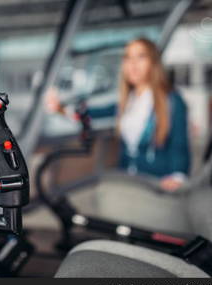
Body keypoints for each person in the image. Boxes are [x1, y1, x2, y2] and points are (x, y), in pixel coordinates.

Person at [47, 38, 190, 192]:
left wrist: (177, 176)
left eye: (141, 57)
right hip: (129, 181)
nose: (133, 64)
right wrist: (60, 108)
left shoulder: (172, 100)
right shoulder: (128, 102)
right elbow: (92, 113)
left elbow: (179, 144)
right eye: (128, 58)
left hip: (157, 184)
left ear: (153, 62)